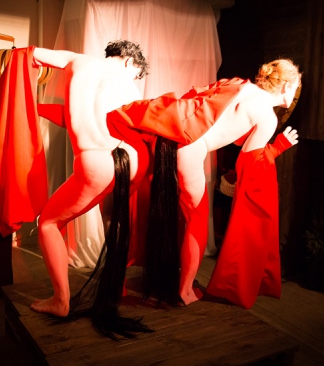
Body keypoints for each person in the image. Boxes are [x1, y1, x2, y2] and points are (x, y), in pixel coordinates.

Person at [106, 59, 301, 307]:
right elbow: (248, 162)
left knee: (148, 209)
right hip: (190, 148)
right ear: (286, 86)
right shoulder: (267, 117)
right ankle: (185, 291)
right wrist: (278, 147)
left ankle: (117, 282)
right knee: (197, 220)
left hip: (168, 138)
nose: (295, 93)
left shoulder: (240, 85)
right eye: (296, 87)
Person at [29, 40, 150, 328]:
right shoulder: (127, 85)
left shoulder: (77, 61)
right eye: (137, 74)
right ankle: (117, 286)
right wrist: (38, 109)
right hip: (135, 160)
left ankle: (60, 300)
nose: (134, 79)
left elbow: (31, 55)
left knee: (48, 223)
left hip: (97, 161)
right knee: (115, 218)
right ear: (130, 61)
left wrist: (23, 102)